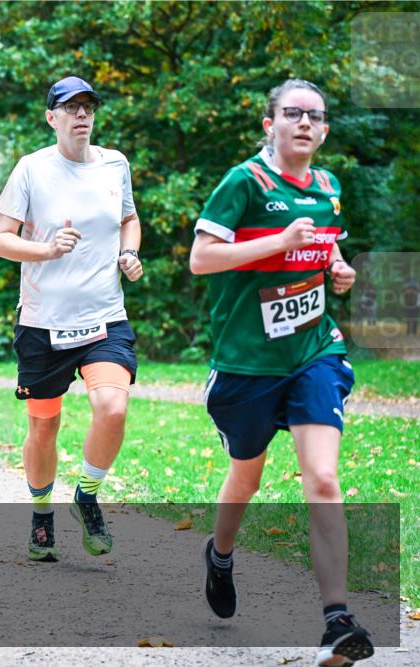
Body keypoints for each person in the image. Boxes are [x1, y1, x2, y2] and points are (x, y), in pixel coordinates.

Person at [190, 79, 372, 666]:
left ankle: (336, 620)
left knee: (322, 478)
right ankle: (219, 555)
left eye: (315, 116)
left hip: (312, 353)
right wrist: (272, 241)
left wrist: (338, 270)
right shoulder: (244, 182)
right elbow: (201, 259)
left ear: (324, 130)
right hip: (247, 364)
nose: (304, 123)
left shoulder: (328, 187)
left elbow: (325, 249)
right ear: (268, 123)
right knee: (246, 479)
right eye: (291, 113)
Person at [0, 76, 144, 563]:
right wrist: (46, 249)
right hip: (43, 323)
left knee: (113, 408)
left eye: (88, 107)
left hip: (104, 315)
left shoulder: (115, 164)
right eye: (70, 108)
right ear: (51, 117)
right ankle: (40, 516)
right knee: (44, 428)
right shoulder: (31, 170)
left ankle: (87, 495)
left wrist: (130, 252)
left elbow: (128, 219)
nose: (82, 115)